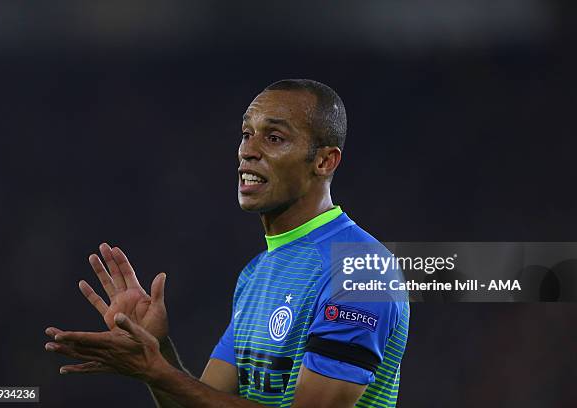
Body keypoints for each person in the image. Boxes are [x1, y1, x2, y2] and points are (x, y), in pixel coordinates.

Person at [45, 79, 409, 408]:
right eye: (246, 134)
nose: (247, 151)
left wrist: (158, 371)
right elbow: (201, 402)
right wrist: (158, 351)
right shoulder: (256, 274)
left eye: (274, 138)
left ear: (325, 161)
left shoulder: (360, 268)